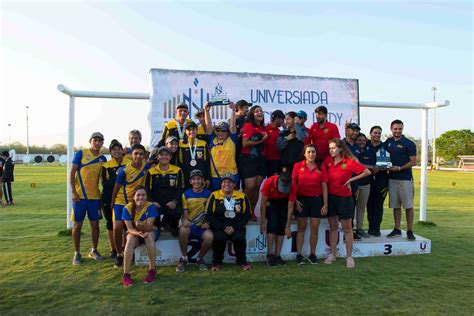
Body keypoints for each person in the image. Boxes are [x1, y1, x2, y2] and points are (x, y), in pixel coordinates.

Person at [322, 139, 370, 268]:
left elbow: (367, 171)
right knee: (333, 228)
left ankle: (349, 257)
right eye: (330, 148)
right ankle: (333, 254)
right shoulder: (327, 161)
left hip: (345, 198)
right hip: (331, 198)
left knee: (347, 229)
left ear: (340, 149)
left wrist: (351, 179)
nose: (331, 150)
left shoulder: (348, 161)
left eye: (333, 148)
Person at [285, 144, 328, 265]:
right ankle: (299, 255)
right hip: (301, 201)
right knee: (301, 228)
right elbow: (293, 184)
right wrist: (296, 200)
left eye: (313, 152)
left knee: (315, 228)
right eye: (308, 152)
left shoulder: (321, 166)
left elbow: (324, 186)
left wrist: (325, 204)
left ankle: (312, 254)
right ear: (304, 154)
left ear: (316, 153)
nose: (311, 154)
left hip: (316, 200)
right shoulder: (297, 166)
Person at [70, 132, 107, 265]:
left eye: (100, 141)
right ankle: (77, 253)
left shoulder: (103, 158)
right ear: (90, 141)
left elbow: (104, 178)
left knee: (95, 225)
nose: (97, 142)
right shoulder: (81, 153)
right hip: (80, 197)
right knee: (77, 225)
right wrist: (73, 192)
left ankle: (94, 250)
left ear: (102, 143)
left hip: (95, 198)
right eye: (95, 140)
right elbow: (72, 173)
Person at [111, 144, 150, 267]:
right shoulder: (124, 170)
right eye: (135, 153)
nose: (138, 156)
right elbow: (116, 188)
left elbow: (150, 155)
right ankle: (119, 254)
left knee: (132, 228)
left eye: (141, 154)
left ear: (144, 155)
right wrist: (112, 203)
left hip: (136, 202)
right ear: (131, 155)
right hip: (121, 201)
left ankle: (130, 251)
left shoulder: (147, 166)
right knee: (117, 227)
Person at [206, 174, 251, 271]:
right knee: (219, 238)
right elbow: (209, 215)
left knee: (239, 238)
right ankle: (216, 262)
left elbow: (247, 215)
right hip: (220, 226)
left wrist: (234, 227)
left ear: (234, 184)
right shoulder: (214, 195)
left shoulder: (242, 196)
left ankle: (242, 261)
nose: (227, 184)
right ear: (221, 184)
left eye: (230, 182)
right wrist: (223, 227)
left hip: (236, 226)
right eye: (224, 182)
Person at [121, 186, 160, 287]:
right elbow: (129, 228)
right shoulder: (127, 208)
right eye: (138, 195)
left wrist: (142, 227)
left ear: (147, 197)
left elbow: (149, 227)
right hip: (135, 232)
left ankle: (152, 270)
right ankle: (126, 274)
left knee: (148, 237)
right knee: (130, 239)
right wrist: (138, 233)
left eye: (143, 195)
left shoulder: (151, 206)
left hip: (149, 230)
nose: (141, 197)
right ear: (133, 197)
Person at [385, 120, 417, 241]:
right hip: (392, 178)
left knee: (408, 205)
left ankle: (409, 230)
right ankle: (397, 228)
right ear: (391, 129)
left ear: (402, 129)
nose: (397, 131)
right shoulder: (388, 142)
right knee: (395, 205)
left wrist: (399, 168)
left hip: (405, 179)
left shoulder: (409, 143)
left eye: (400, 129)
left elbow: (413, 161)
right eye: (395, 129)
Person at [176, 170, 213, 272]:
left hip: (202, 226)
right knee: (183, 230)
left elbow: (210, 212)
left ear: (203, 181)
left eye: (198, 179)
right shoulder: (186, 194)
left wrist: (207, 223)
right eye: (194, 179)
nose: (196, 181)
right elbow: (185, 211)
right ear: (190, 181)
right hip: (191, 225)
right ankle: (184, 258)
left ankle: (199, 259)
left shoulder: (209, 194)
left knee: (209, 237)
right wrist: (185, 220)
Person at [146, 146, 184, 236]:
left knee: (178, 210)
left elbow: (180, 188)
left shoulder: (177, 170)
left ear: (170, 157)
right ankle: (157, 225)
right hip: (156, 202)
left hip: (170, 201)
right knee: (152, 211)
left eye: (167, 155)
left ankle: (173, 226)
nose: (164, 157)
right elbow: (147, 189)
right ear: (157, 157)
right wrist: (152, 202)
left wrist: (174, 201)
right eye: (161, 154)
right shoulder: (151, 172)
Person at [100, 140, 129, 258]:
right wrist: (118, 175)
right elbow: (105, 184)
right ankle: (113, 249)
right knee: (110, 224)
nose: (117, 152)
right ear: (110, 152)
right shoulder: (106, 166)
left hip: (125, 197)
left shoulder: (128, 163)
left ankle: (124, 248)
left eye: (119, 149)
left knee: (126, 224)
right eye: (114, 150)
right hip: (108, 197)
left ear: (122, 150)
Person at [239, 105, 268, 221]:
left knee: (257, 187)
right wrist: (261, 140)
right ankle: (242, 211)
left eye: (261, 111)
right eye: (257, 111)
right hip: (248, 158)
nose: (260, 113)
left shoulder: (263, 127)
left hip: (260, 159)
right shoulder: (248, 125)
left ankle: (251, 212)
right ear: (252, 114)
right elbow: (245, 143)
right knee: (249, 187)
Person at [204, 102, 239, 191]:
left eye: (223, 131)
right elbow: (208, 126)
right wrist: (206, 112)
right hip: (215, 176)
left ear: (227, 132)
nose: (220, 132)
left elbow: (232, 126)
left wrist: (233, 110)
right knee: (216, 200)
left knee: (232, 200)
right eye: (218, 130)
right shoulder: (213, 139)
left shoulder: (232, 139)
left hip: (231, 175)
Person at [260, 170, 292, 266]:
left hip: (283, 202)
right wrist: (262, 221)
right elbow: (263, 203)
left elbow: (290, 207)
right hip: (272, 202)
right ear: (278, 181)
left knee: (281, 228)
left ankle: (278, 256)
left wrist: (288, 226)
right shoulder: (269, 182)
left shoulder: (292, 185)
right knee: (272, 227)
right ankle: (270, 255)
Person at [366, 126, 389, 237]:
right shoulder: (365, 145)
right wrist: (371, 168)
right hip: (367, 179)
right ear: (370, 133)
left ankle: (377, 228)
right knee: (369, 205)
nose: (377, 135)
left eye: (379, 133)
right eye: (375, 133)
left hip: (382, 180)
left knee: (378, 205)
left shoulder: (384, 147)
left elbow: (388, 163)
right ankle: (371, 228)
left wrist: (379, 168)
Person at [178, 121, 211, 189]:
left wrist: (208, 178)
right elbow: (179, 163)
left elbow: (207, 162)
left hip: (200, 178)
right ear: (185, 131)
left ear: (197, 130)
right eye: (189, 130)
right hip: (186, 177)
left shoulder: (203, 144)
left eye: (193, 129)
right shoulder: (181, 144)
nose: (191, 131)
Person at [354, 133, 374, 238]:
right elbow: (357, 165)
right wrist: (371, 167)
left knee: (361, 207)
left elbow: (373, 168)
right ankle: (350, 229)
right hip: (354, 183)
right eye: (359, 140)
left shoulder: (369, 152)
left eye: (363, 140)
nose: (361, 142)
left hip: (366, 183)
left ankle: (359, 228)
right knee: (351, 207)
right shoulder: (352, 152)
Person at [265, 110, 285, 176]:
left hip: (280, 160)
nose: (283, 121)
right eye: (282, 119)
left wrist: (285, 127)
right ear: (277, 118)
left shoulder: (279, 131)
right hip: (270, 160)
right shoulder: (266, 129)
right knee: (272, 181)